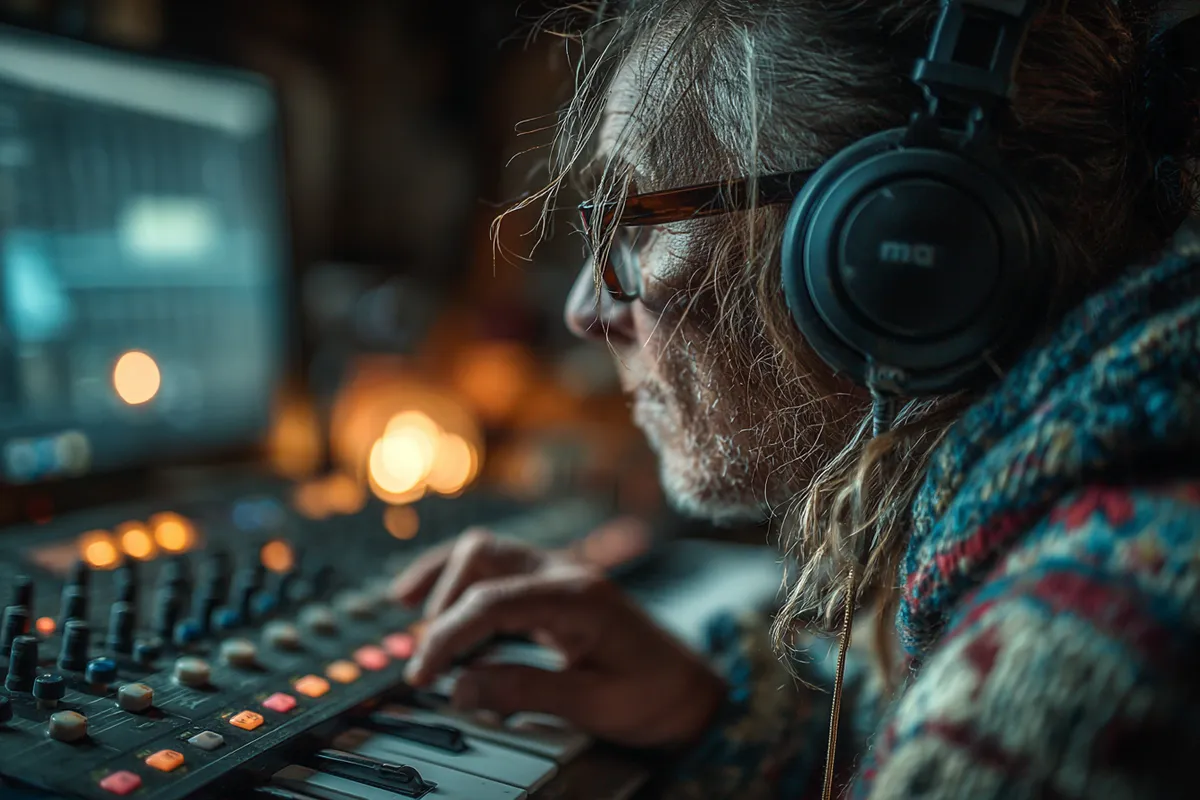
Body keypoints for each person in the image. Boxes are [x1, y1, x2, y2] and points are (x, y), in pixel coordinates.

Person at [390, 0, 1200, 796]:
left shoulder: (1087, 648)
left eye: (635, 221)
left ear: (896, 247)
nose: (584, 310)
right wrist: (718, 718)